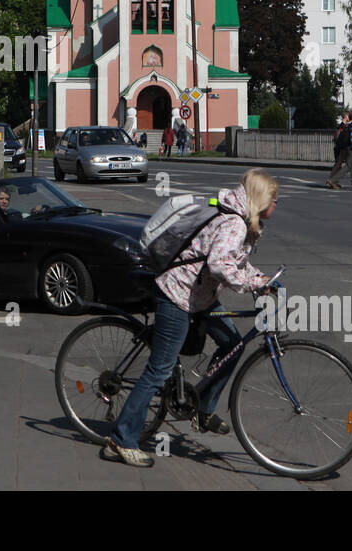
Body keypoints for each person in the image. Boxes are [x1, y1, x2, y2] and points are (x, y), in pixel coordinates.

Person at [101, 168, 279, 468]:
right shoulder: (234, 223)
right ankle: (120, 440)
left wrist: (261, 278)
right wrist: (252, 285)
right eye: (275, 200)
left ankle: (203, 409)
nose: (277, 206)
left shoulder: (238, 219)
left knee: (232, 343)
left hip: (200, 297)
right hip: (177, 295)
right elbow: (219, 264)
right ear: (261, 200)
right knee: (159, 371)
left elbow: (234, 261)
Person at [325, 111, 352, 190]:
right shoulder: (342, 126)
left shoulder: (342, 125)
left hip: (338, 147)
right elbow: (339, 137)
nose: (349, 117)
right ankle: (331, 181)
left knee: (338, 165)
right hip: (340, 148)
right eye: (348, 116)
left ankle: (332, 182)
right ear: (346, 116)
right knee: (338, 165)